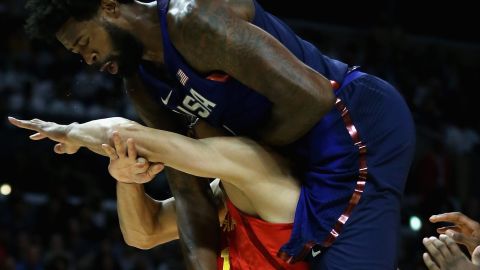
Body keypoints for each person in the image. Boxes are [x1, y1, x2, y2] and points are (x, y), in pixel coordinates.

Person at [22, 0, 416, 268]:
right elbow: (186, 188)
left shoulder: (193, 21)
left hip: (354, 123)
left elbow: (311, 98)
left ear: (109, 7)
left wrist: (242, 157)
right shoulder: (140, 84)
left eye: (85, 43)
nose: (88, 60)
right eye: (77, 55)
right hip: (297, 145)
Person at [104, 120, 309, 269]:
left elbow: (144, 233)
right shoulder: (241, 190)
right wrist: (127, 177)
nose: (193, 133)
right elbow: (145, 233)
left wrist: (127, 177)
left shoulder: (250, 188)